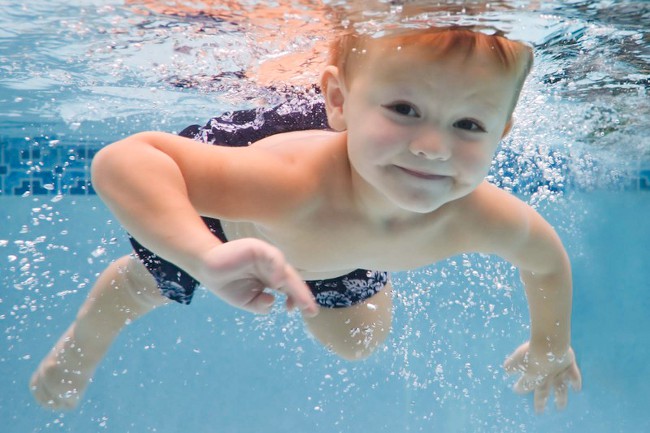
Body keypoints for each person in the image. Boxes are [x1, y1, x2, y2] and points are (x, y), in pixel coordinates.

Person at [30, 26, 582, 413]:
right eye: (405, 110)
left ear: (501, 135)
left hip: (336, 240)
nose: (434, 148)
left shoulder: (480, 215)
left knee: (359, 341)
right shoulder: (285, 184)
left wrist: (551, 344)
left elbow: (546, 263)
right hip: (233, 224)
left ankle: (349, 260)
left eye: (469, 124)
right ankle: (83, 344)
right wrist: (204, 255)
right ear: (338, 102)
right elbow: (124, 160)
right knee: (150, 282)